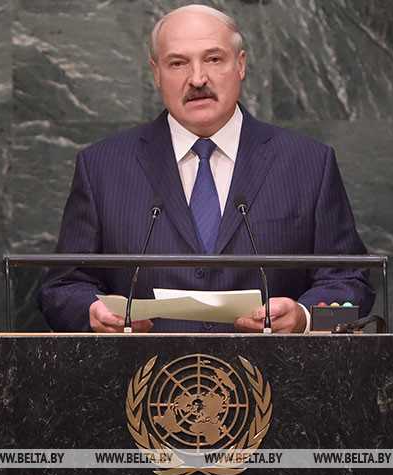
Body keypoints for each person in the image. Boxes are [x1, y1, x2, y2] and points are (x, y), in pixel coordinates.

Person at [39, 4, 374, 333]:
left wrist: (304, 318)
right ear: (156, 73)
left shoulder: (308, 163)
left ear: (240, 64)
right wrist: (93, 314)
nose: (197, 79)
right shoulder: (103, 167)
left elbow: (350, 281)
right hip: (144, 368)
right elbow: (63, 287)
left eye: (213, 59)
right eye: (177, 63)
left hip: (275, 368)